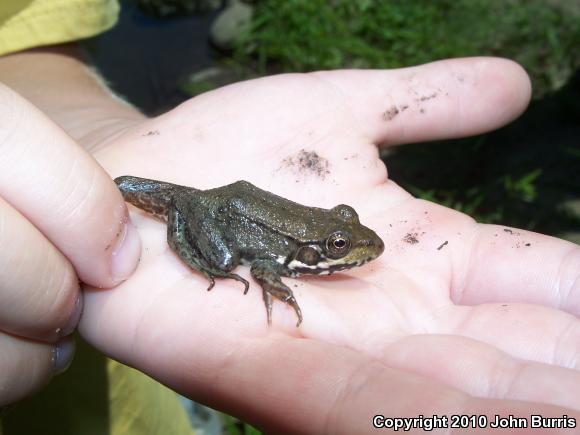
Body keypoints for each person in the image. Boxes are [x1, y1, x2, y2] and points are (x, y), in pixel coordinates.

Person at [1, 1, 579, 434]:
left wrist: (99, 144)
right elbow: (258, 256)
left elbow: (28, 50)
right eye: (336, 245)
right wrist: (269, 277)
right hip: (217, 212)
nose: (352, 251)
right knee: (229, 258)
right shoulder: (284, 255)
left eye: (339, 238)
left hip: (203, 232)